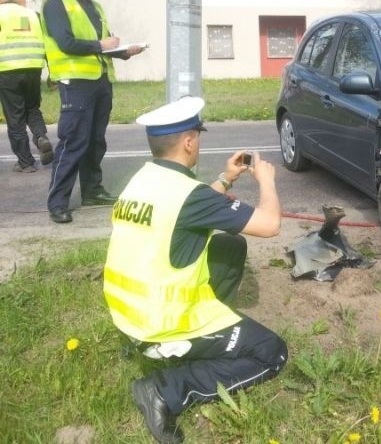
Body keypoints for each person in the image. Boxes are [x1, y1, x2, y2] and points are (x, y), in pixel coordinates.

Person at [103, 96, 288, 444]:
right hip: (161, 325)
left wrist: (226, 179)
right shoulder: (190, 195)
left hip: (129, 316)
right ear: (189, 141)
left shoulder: (143, 180)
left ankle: (203, 336)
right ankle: (166, 390)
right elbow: (270, 224)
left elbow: (186, 213)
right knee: (272, 352)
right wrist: (266, 180)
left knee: (228, 245)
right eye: (198, 136)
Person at [41, 0, 144, 223]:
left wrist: (123, 52)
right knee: (74, 141)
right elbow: (65, 43)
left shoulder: (95, 9)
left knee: (95, 141)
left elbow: (103, 45)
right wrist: (101, 45)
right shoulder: (56, 3)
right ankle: (58, 202)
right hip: (75, 83)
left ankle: (92, 192)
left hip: (99, 82)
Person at [0, 0, 53, 172]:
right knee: (32, 108)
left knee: (15, 117)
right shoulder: (33, 14)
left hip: (7, 70)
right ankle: (41, 137)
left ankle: (26, 162)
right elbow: (47, 43)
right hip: (33, 68)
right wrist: (52, 71)